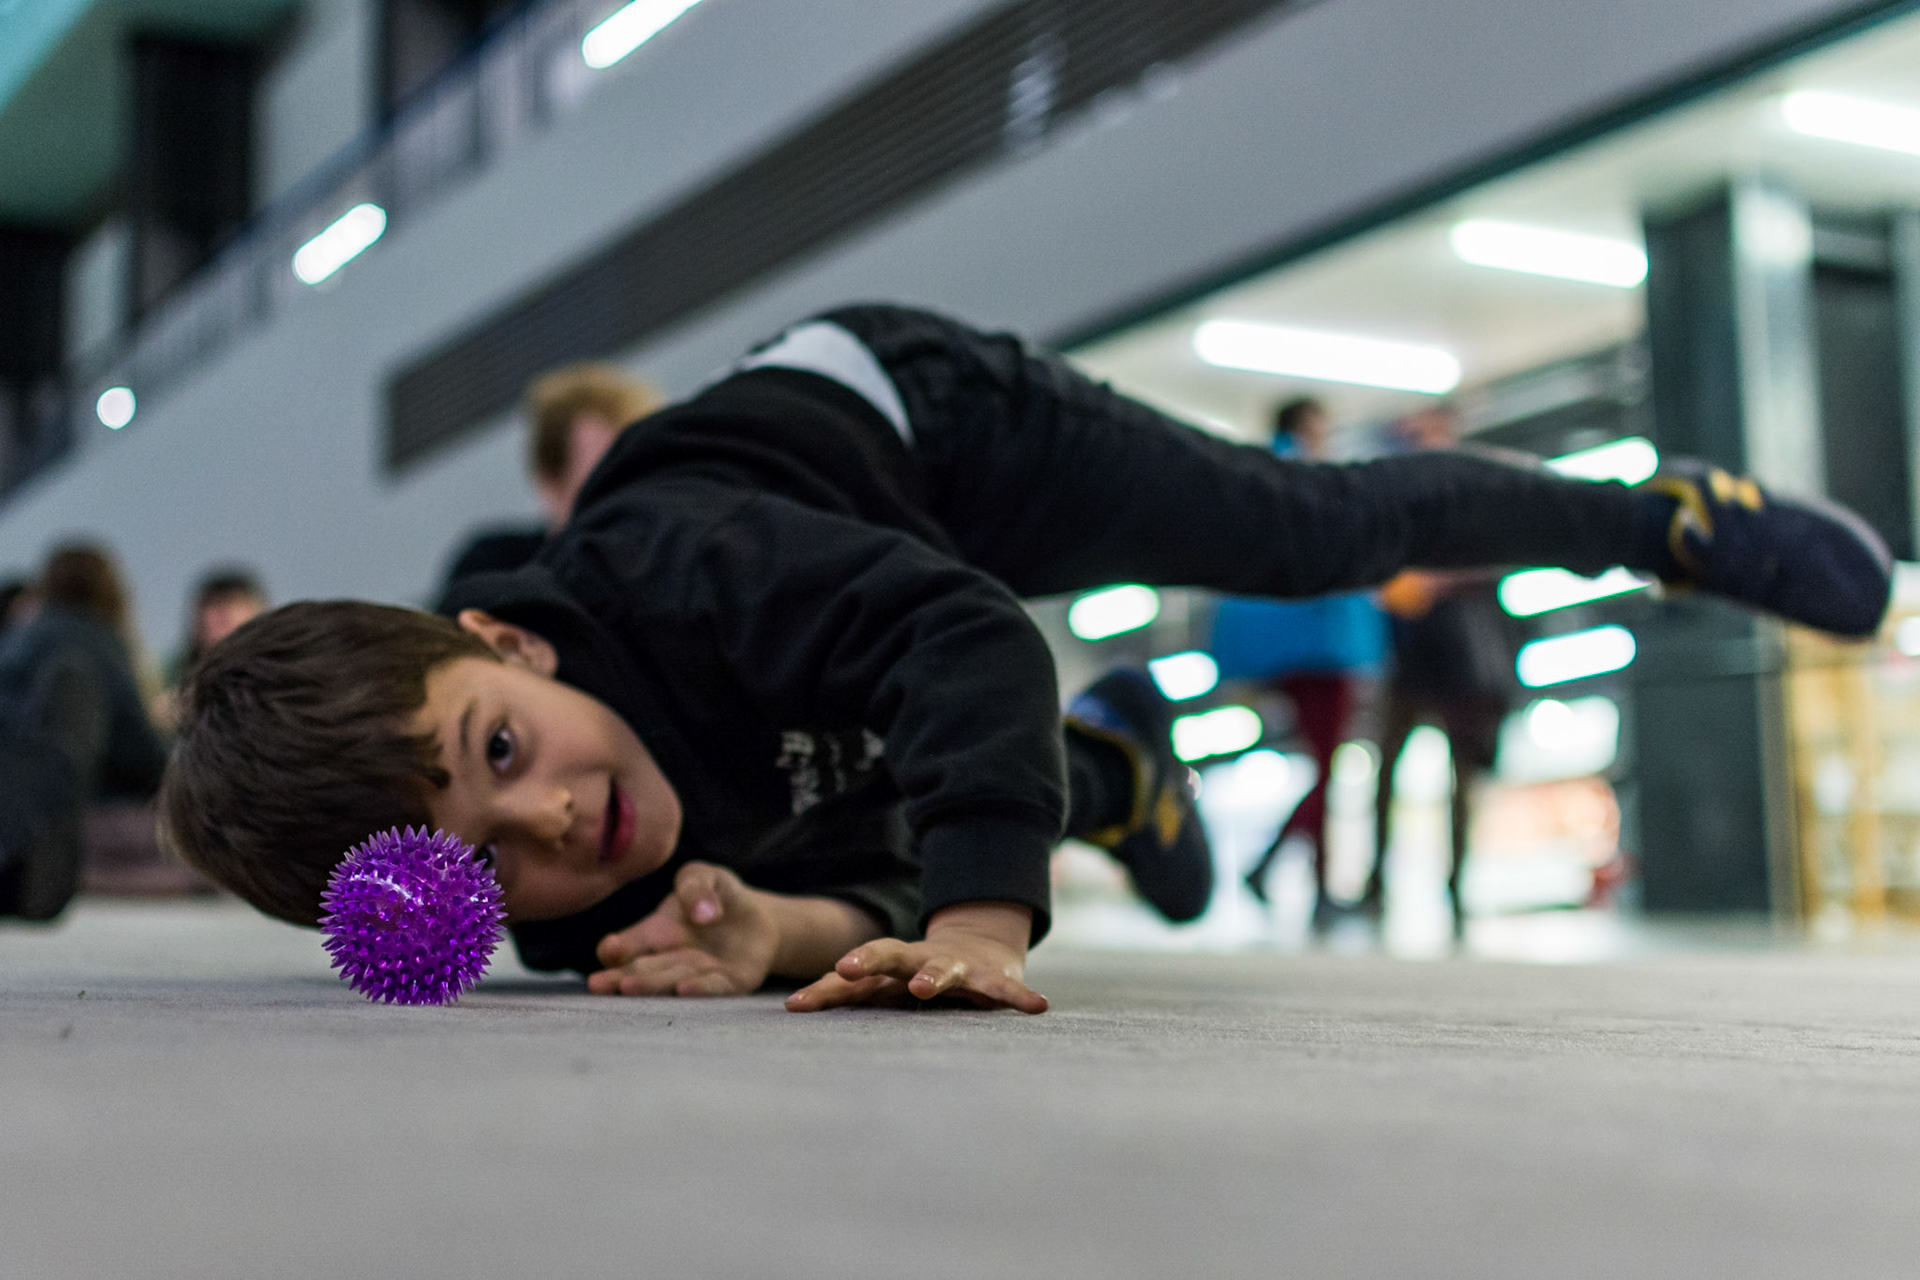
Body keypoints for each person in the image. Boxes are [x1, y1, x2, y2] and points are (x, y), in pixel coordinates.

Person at [158, 305, 1891, 1013]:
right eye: (481, 867)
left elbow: (958, 623)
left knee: (1305, 531)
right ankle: (1113, 763)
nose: (550, 829)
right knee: (800, 836)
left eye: (505, 748)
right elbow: (855, 896)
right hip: (842, 649)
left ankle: (1655, 515)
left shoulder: (694, 568)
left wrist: (985, 922)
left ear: (507, 640)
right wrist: (773, 937)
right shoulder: (565, 916)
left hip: (942, 437)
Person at [1211, 397, 1386, 929]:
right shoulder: (1316, 482)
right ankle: (1298, 877)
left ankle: (1293, 874)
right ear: (1304, 426)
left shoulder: (1265, 478)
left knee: (1323, 767)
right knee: (1328, 769)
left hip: (1290, 648)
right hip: (1322, 647)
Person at [1357, 407, 1519, 936]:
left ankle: (1456, 887)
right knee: (1383, 775)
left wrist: (1436, 584)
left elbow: (1498, 563)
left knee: (1461, 780)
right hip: (1407, 660)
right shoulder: (1398, 502)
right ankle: (1375, 882)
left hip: (1460, 664)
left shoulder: (1477, 498)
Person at [0, 544, 168, 920]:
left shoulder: (17, 640)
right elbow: (139, 756)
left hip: (21, 822)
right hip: (55, 837)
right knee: (191, 845)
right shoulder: (99, 643)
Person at [437, 363, 662, 595]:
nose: (626, 493)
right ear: (551, 483)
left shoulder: (667, 567)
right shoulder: (493, 568)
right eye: (604, 478)